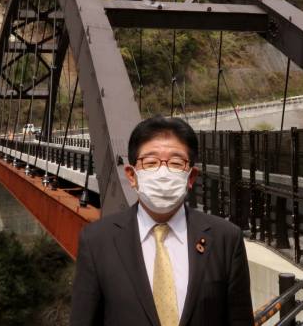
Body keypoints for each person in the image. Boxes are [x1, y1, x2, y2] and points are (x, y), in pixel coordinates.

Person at [70, 115, 253, 326]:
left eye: (176, 163)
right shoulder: (97, 240)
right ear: (131, 175)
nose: (163, 173)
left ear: (191, 177)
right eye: (150, 163)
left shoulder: (226, 239)